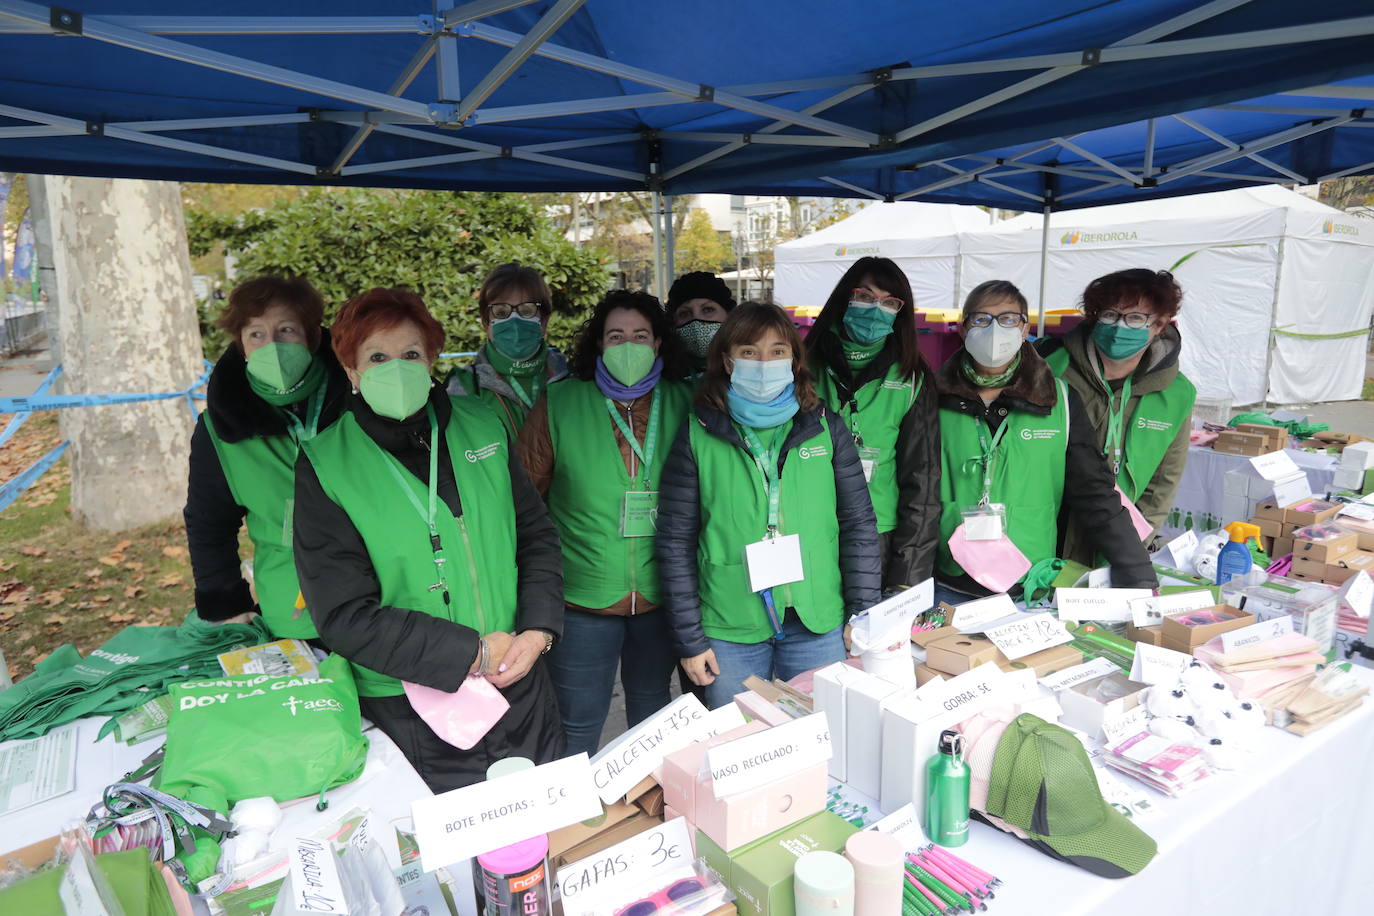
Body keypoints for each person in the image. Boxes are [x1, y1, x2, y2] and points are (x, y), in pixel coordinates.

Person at [294, 288, 565, 790]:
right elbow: (343, 614)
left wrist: (539, 630)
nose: (395, 368)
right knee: (458, 860)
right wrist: (468, 653)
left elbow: (535, 537)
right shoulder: (327, 463)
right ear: (351, 371)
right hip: (417, 705)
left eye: (410, 354)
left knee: (544, 837)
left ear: (432, 360)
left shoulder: (482, 426)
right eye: (376, 357)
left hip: (517, 679)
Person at [657, 302, 882, 709]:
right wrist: (690, 639)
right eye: (749, 352)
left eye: (778, 351)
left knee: (821, 740)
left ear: (795, 360)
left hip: (815, 619)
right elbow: (675, 541)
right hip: (730, 624)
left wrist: (862, 611)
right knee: (737, 747)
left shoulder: (825, 427)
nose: (764, 363)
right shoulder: (697, 432)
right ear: (727, 361)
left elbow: (859, 526)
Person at [516, 290, 692, 757]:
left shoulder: (686, 400)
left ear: (658, 343)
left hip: (661, 595)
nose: (628, 345)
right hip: (581, 600)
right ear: (599, 344)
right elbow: (525, 501)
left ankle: (650, 807)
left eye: (639, 335)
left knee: (653, 712)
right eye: (616, 336)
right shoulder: (561, 402)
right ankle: (575, 822)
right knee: (577, 721)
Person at [934, 281, 1158, 604]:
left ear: (1025, 329)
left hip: (1029, 585)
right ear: (962, 328)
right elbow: (915, 492)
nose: (996, 330)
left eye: (1009, 319)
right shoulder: (933, 397)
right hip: (950, 579)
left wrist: (1137, 571)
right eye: (981, 319)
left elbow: (1095, 491)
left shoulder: (1060, 401)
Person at [184, 275, 349, 637]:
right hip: (292, 614)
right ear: (241, 345)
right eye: (255, 334)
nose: (271, 345)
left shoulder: (358, 400)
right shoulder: (220, 429)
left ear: (312, 336)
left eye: (286, 330)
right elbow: (209, 524)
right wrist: (228, 604)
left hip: (382, 604)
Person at [1037, 269, 1195, 561]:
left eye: (1135, 318)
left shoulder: (1175, 394)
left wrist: (1135, 542)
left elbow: (1164, 479)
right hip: (1045, 528)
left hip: (1118, 535)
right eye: (1110, 315)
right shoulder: (1048, 369)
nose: (1119, 327)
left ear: (1160, 325)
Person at [807, 257, 941, 593]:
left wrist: (906, 580)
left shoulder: (912, 378)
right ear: (844, 299)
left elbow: (921, 483)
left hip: (878, 536)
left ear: (901, 312)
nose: (875, 309)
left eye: (889, 302)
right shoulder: (802, 366)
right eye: (865, 297)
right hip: (809, 526)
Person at [448, 263, 568, 437]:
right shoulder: (463, 389)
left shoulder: (570, 379)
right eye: (501, 312)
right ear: (486, 324)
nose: (514, 321)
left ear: (544, 322)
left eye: (527, 310)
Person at [667, 271, 736, 378]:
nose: (696, 320)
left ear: (728, 315)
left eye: (708, 309)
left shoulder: (747, 368)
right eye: (684, 313)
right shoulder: (663, 377)